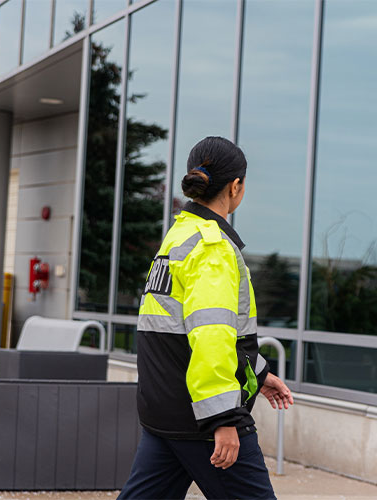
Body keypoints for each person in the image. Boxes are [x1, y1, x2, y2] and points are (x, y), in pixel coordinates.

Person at [118, 136, 293, 500]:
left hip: (163, 411)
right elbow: (211, 337)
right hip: (200, 419)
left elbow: (183, 332)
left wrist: (258, 374)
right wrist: (224, 419)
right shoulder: (211, 248)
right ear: (236, 187)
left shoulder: (177, 237)